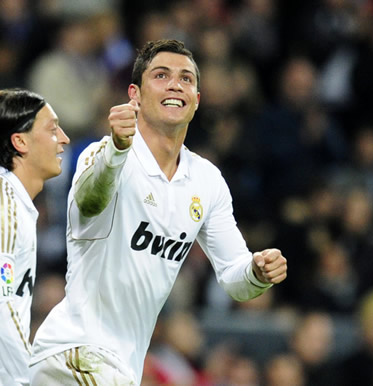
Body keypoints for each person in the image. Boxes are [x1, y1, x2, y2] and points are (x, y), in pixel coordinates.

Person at [29, 39, 288, 385]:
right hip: (75, 352)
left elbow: (235, 279)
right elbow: (91, 201)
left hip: (120, 365)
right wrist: (117, 150)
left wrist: (257, 270)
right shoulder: (104, 154)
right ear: (134, 94)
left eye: (186, 79)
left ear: (196, 99)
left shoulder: (206, 181)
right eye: (161, 75)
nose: (175, 84)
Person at [0, 88, 70, 385]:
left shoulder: (15, 203)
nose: (64, 139)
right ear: (20, 141)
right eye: (53, 130)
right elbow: (3, 305)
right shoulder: (6, 206)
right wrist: (19, 380)